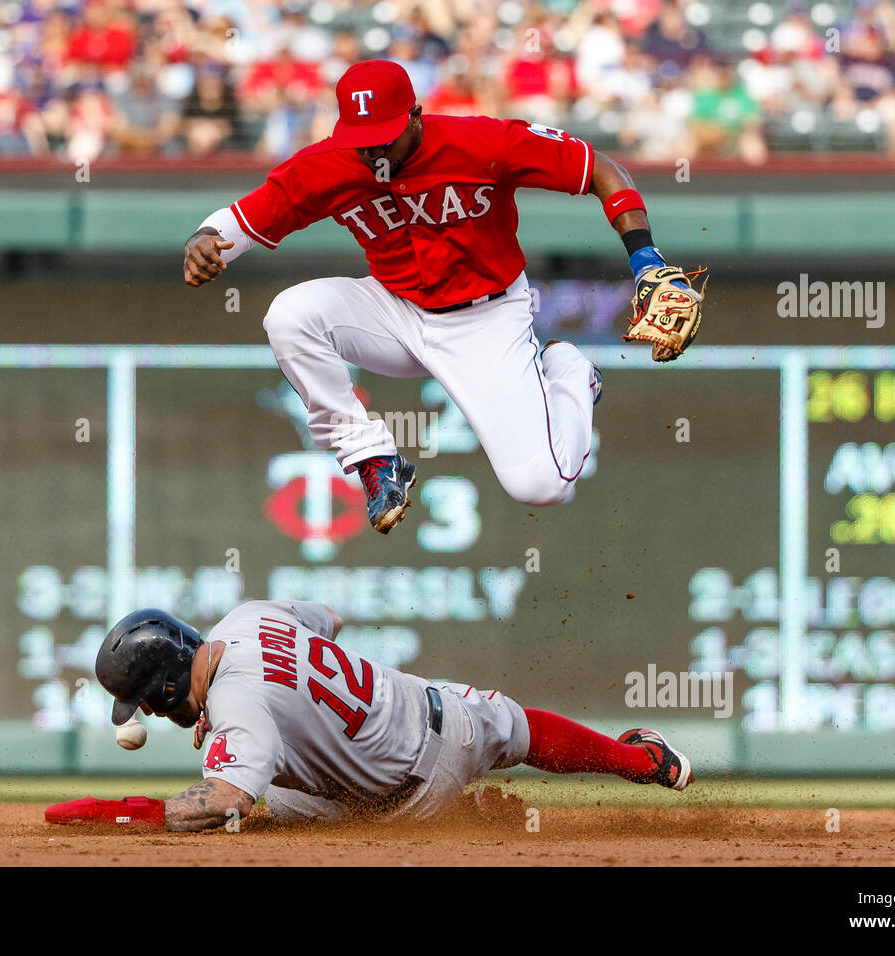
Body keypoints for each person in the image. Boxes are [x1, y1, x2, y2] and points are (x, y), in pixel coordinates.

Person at [183, 59, 705, 535]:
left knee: (542, 488)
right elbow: (245, 217)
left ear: (415, 114)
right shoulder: (328, 165)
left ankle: (569, 373)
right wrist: (205, 239)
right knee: (290, 315)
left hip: (487, 320)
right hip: (393, 312)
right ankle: (369, 457)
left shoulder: (484, 143)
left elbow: (601, 169)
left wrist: (645, 259)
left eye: (384, 136)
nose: (373, 150)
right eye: (361, 138)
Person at [90, 604, 693, 831]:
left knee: (253, 806)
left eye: (144, 698)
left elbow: (223, 797)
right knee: (517, 727)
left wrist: (145, 813)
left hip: (406, 796)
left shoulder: (237, 708)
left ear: (167, 684)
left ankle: (464, 814)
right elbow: (328, 619)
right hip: (427, 710)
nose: (144, 710)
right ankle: (644, 761)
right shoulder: (244, 620)